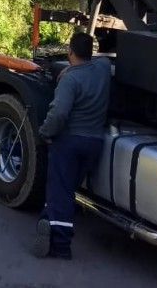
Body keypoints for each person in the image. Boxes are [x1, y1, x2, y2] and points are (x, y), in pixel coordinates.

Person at [32, 31, 110, 259]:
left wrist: (45, 133)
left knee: (60, 192)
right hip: (94, 143)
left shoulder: (70, 80)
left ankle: (60, 246)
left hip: (69, 143)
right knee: (68, 190)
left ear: (70, 52)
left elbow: (59, 113)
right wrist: (76, 66)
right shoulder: (102, 69)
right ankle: (46, 218)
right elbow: (102, 59)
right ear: (91, 52)